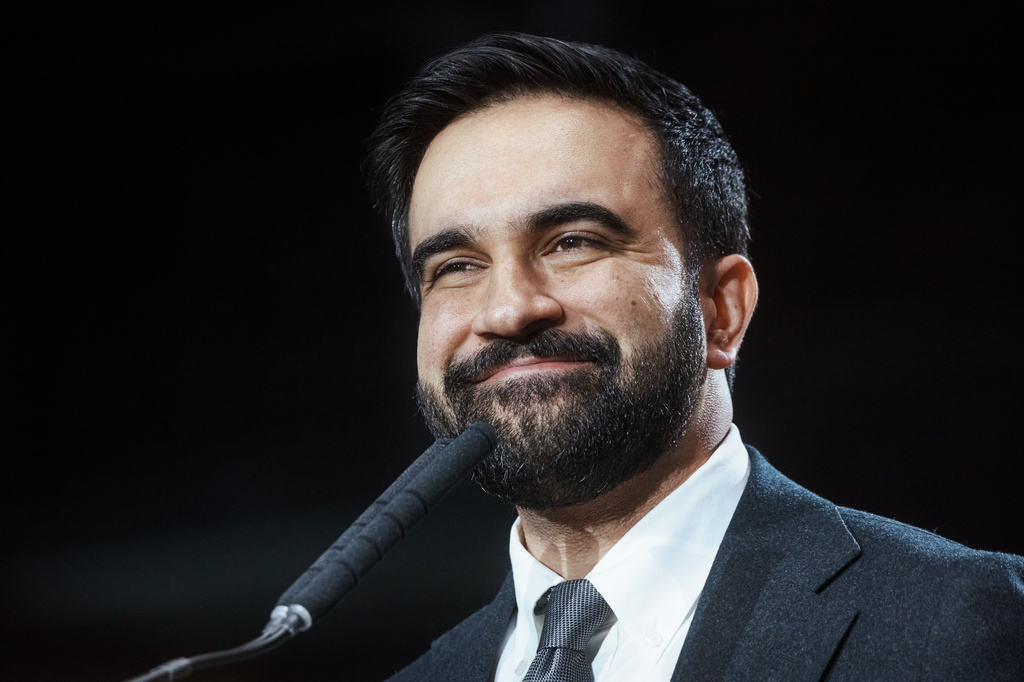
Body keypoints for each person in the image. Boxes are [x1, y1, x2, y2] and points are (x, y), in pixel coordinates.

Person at [363, 33, 1023, 681]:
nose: (507, 309)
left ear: (720, 308)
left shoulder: (953, 624)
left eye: (572, 241)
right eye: (456, 265)